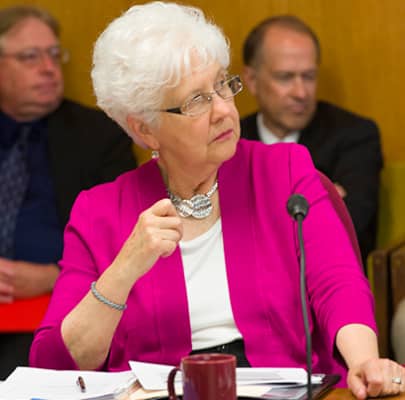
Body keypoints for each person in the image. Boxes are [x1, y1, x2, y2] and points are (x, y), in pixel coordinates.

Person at [29, 2, 403, 398]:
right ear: (145, 129)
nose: (224, 110)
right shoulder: (100, 211)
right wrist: (124, 269)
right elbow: (56, 365)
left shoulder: (284, 170)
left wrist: (364, 361)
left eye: (222, 85)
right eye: (196, 101)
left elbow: (336, 282)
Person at [0, 6, 136, 379]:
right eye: (30, 56)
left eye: (54, 54)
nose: (48, 68)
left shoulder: (99, 136)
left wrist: (51, 275)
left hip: (63, 307)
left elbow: (121, 236)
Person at [240, 15, 383, 267]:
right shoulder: (230, 140)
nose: (301, 92)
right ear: (252, 80)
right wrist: (320, 204)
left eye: (308, 76)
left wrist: (253, 215)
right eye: (285, 77)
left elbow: (352, 228)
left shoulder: (355, 135)